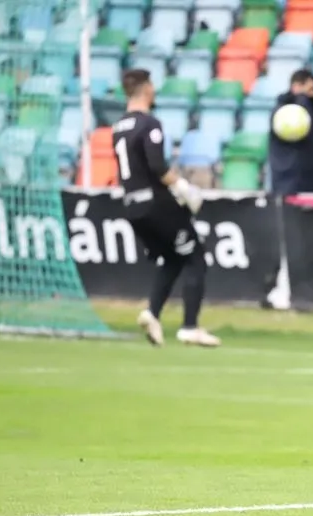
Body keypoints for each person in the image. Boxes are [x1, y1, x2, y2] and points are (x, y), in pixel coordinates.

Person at [111, 68, 220, 348]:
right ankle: (190, 327)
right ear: (146, 89)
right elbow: (157, 166)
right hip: (155, 203)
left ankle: (152, 313)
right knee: (195, 256)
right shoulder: (149, 123)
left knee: (173, 258)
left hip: (132, 206)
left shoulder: (118, 127)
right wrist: (184, 188)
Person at [268, 69, 313, 195]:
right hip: (288, 179)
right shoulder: (284, 110)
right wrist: (303, 100)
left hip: (310, 174)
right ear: (296, 86)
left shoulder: (312, 105)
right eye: (310, 89)